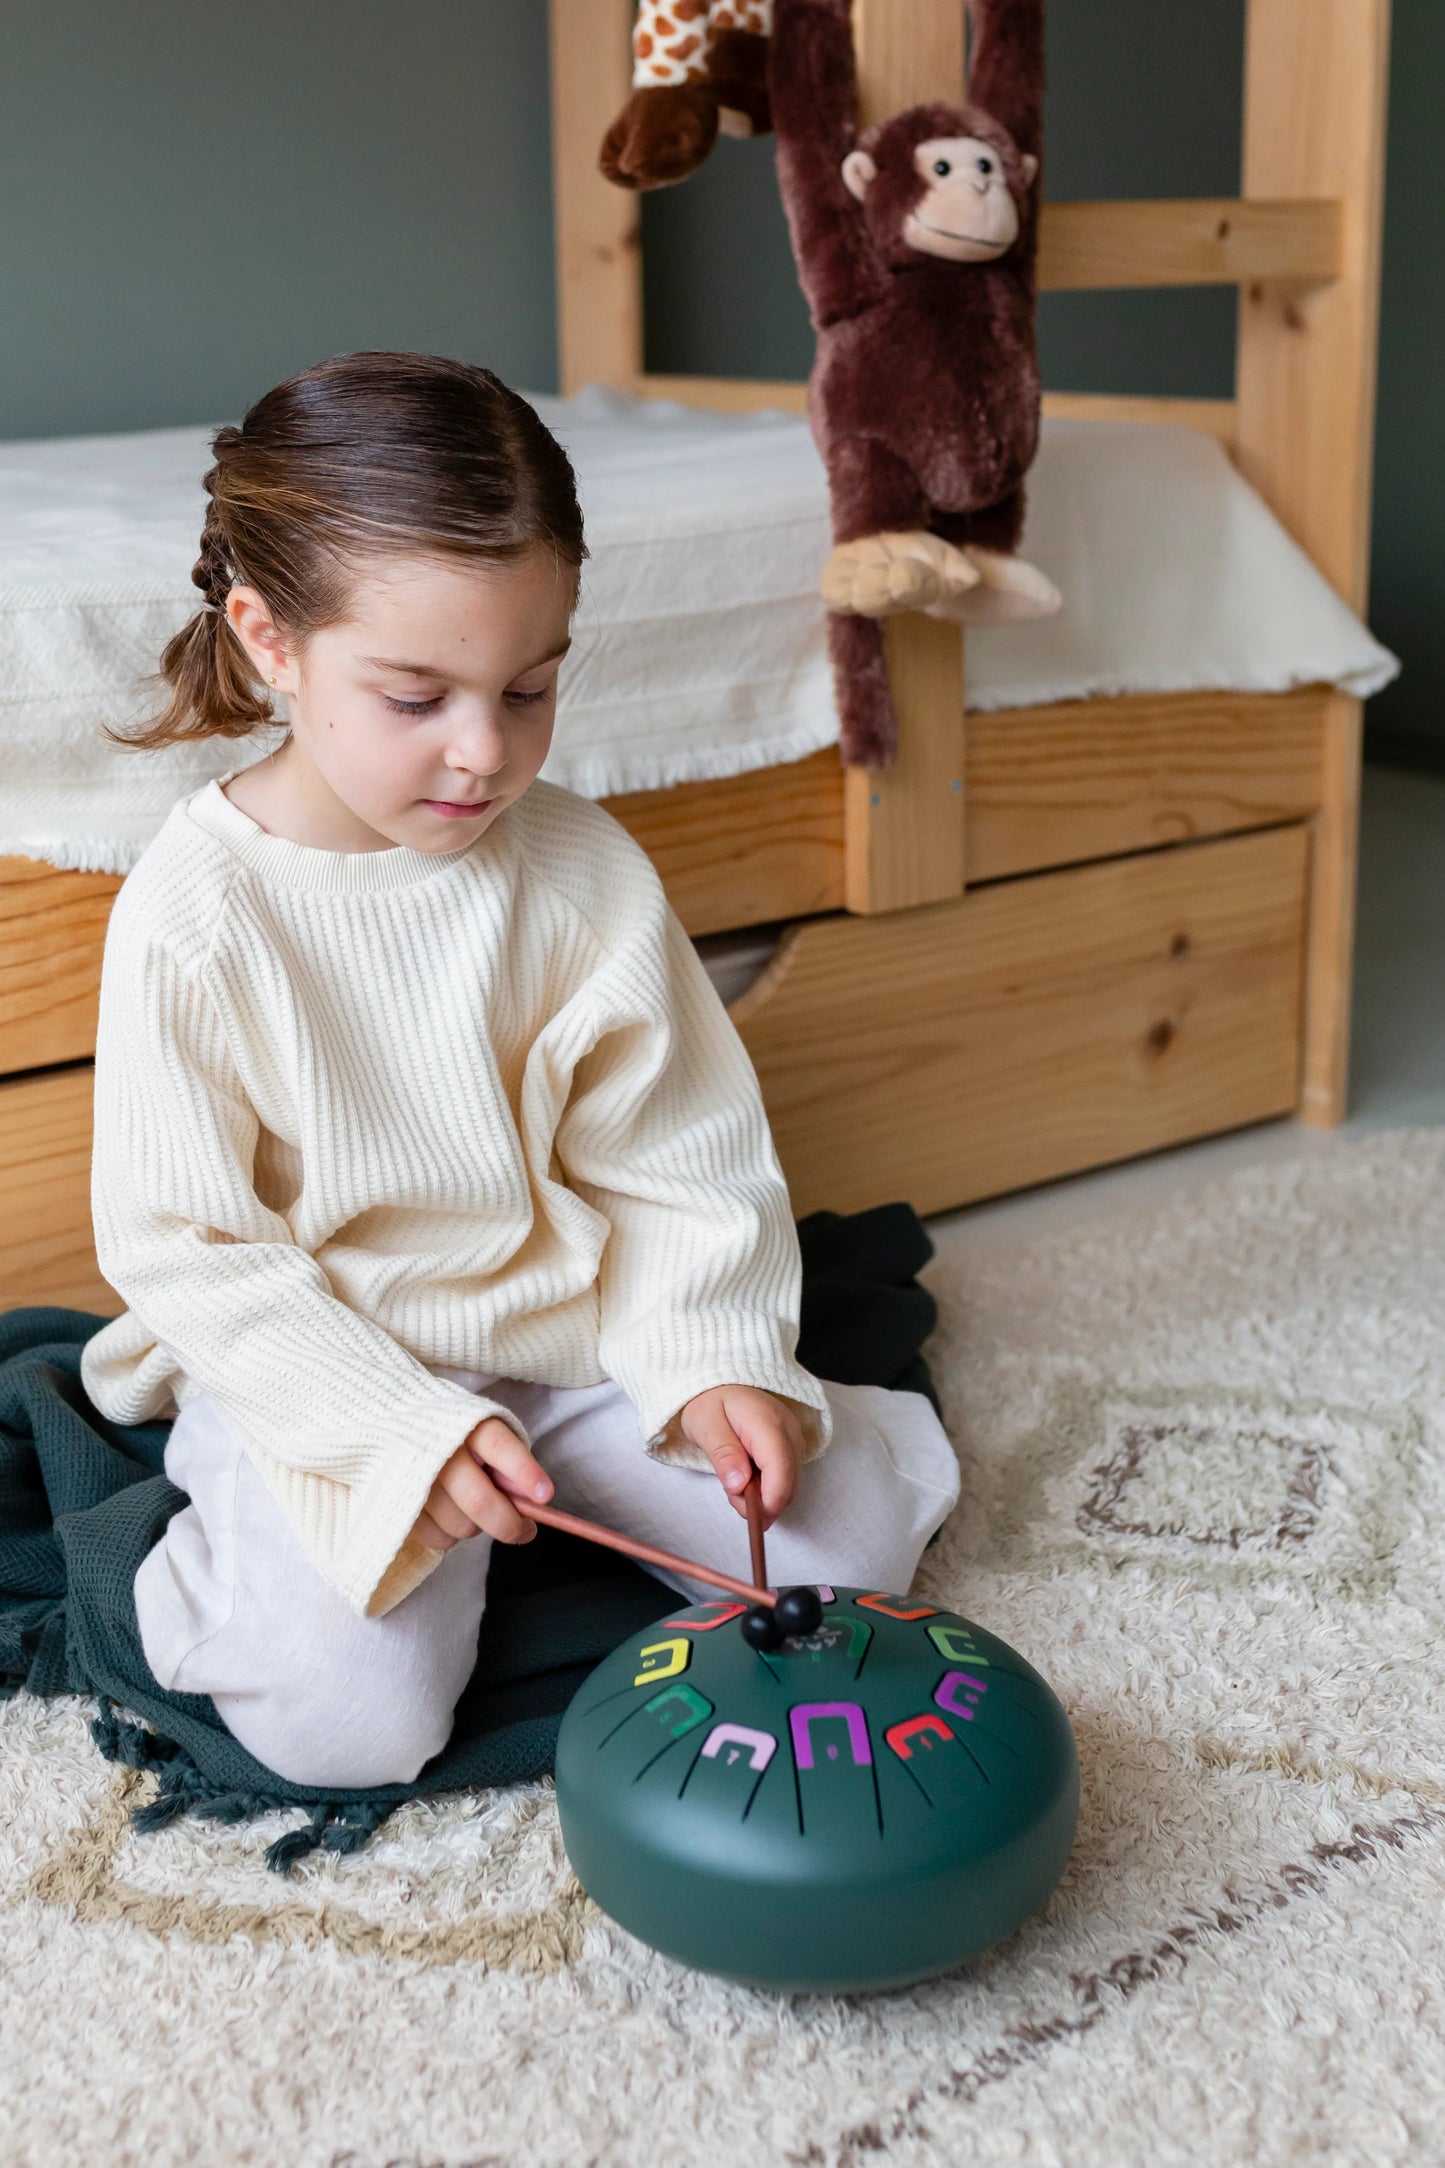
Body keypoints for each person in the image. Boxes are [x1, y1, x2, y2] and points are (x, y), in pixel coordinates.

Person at [81, 349, 961, 1790]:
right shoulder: (197, 908)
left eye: (530, 688)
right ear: (267, 640)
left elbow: (676, 1155)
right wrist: (395, 1433)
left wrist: (711, 1366)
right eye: (416, 698)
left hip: (565, 1334)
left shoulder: (576, 867)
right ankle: (221, 1548)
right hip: (341, 1364)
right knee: (344, 1729)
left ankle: (780, 1439)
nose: (484, 754)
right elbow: (187, 1246)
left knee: (850, 1566)